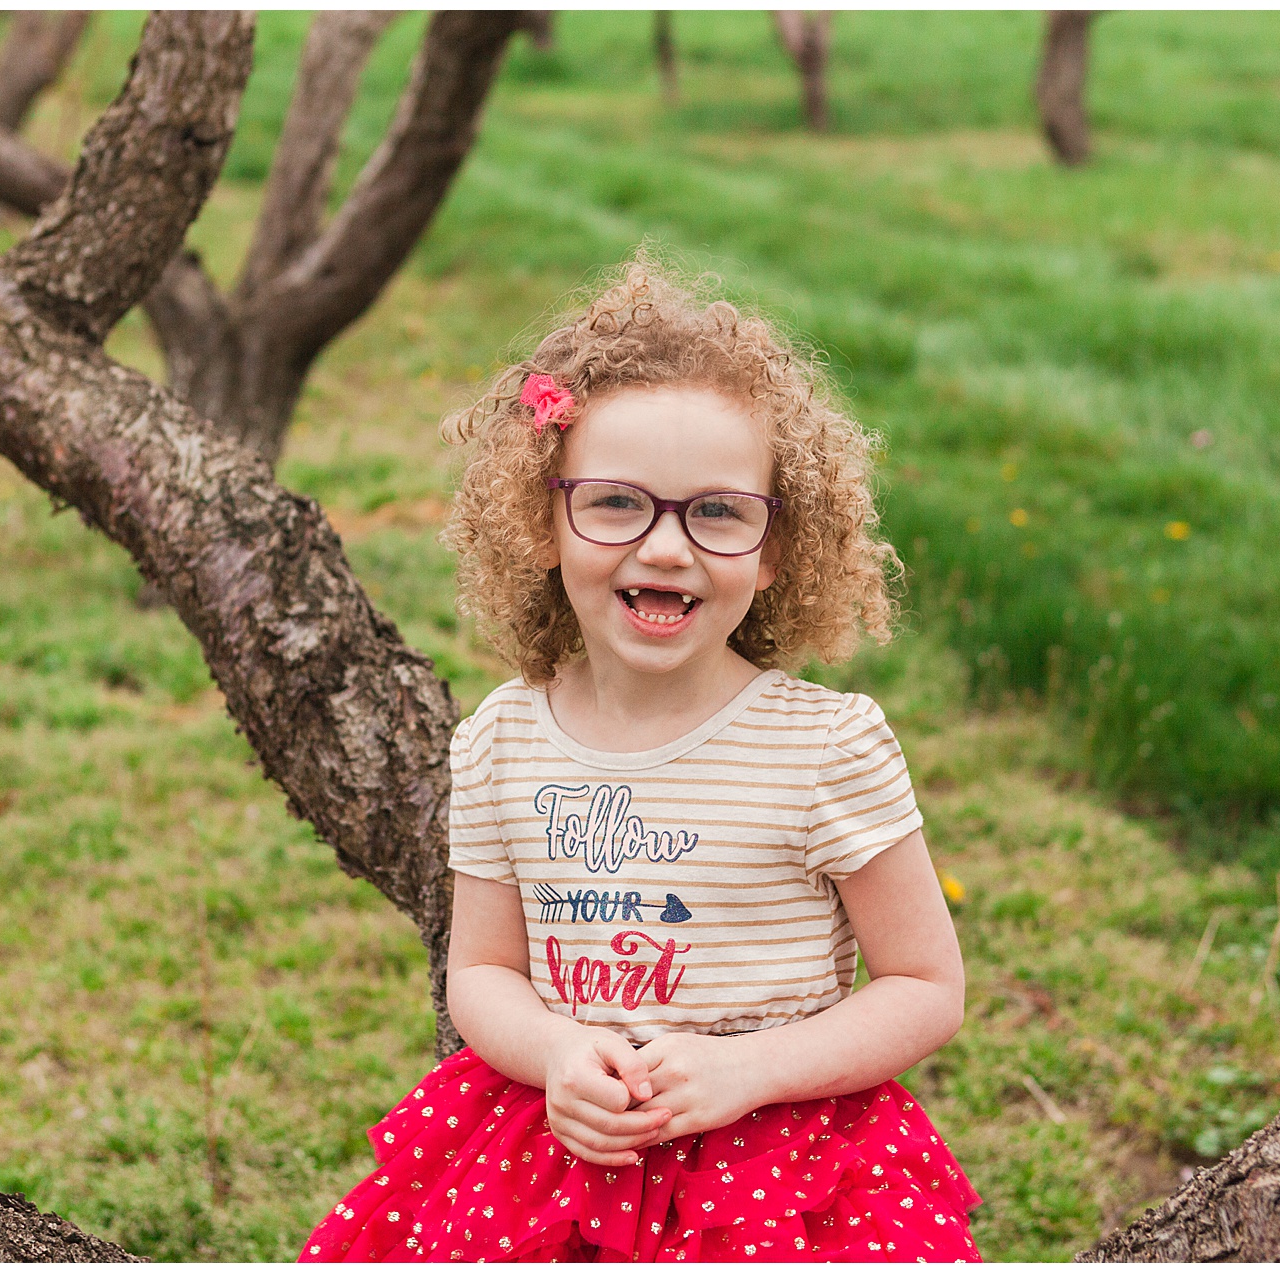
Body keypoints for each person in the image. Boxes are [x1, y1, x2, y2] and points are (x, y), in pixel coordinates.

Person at [299, 261, 980, 1262]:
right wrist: (559, 1049)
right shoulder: (502, 737)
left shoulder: (824, 748)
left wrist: (746, 1071)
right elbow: (482, 969)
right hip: (556, 1151)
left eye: (717, 511)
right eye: (617, 503)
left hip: (779, 1163)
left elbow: (924, 984)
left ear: (775, 545)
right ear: (544, 521)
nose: (665, 548)